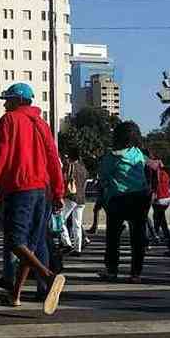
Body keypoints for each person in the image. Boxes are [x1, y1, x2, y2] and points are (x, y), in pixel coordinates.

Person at [0, 84, 65, 315]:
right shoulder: (41, 123)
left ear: (17, 101)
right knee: (30, 244)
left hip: (20, 188)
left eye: (7, 99)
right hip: (43, 189)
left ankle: (49, 277)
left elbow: (0, 154)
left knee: (15, 241)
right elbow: (53, 158)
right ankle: (15, 294)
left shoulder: (9, 120)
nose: (4, 103)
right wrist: (58, 191)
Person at [97, 121, 150, 284]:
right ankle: (136, 273)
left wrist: (105, 197)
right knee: (137, 238)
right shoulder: (138, 153)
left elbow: (103, 177)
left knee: (113, 237)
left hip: (118, 199)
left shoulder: (111, 157)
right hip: (140, 198)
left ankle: (112, 270)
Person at [60, 148, 89, 256]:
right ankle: (78, 248)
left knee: (60, 220)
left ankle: (67, 243)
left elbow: (64, 180)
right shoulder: (83, 168)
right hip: (82, 199)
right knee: (77, 223)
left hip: (71, 197)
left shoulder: (69, 166)